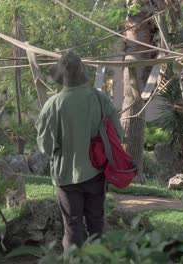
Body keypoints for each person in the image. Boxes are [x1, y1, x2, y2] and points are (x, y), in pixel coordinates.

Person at [35, 50, 123, 251]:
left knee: (72, 228)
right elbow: (118, 135)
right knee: (96, 226)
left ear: (61, 76)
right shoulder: (100, 99)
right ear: (82, 72)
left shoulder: (53, 105)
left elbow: (46, 146)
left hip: (66, 177)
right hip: (96, 173)